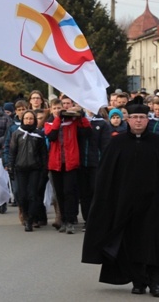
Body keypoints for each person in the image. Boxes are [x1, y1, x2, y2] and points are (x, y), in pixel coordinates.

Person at [82, 100, 159, 297]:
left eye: (142, 117)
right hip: (126, 203)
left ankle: (156, 283)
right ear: (128, 119)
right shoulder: (117, 143)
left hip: (154, 204)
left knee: (155, 242)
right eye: (134, 118)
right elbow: (106, 175)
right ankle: (139, 281)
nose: (138, 121)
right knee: (131, 243)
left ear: (147, 120)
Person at [45, 97, 91, 234]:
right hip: (56, 164)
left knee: (69, 192)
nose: (60, 110)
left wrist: (81, 116)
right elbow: (52, 136)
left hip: (71, 162)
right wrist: (58, 119)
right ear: (52, 110)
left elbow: (88, 132)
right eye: (57, 108)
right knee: (60, 194)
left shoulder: (73, 122)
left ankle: (71, 220)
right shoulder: (49, 123)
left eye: (62, 107)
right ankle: (64, 220)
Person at [9, 110, 47, 232]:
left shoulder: (39, 135)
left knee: (32, 195)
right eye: (26, 118)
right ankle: (25, 215)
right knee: (22, 195)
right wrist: (11, 167)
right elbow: (13, 152)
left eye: (31, 118)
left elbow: (43, 155)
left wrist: (44, 170)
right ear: (22, 120)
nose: (28, 121)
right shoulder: (17, 134)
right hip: (20, 169)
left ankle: (30, 220)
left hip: (34, 169)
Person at [79, 108, 111, 231]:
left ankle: (96, 219)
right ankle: (87, 220)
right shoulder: (79, 121)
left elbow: (106, 146)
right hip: (81, 163)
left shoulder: (102, 123)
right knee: (84, 193)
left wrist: (104, 163)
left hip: (96, 164)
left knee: (95, 192)